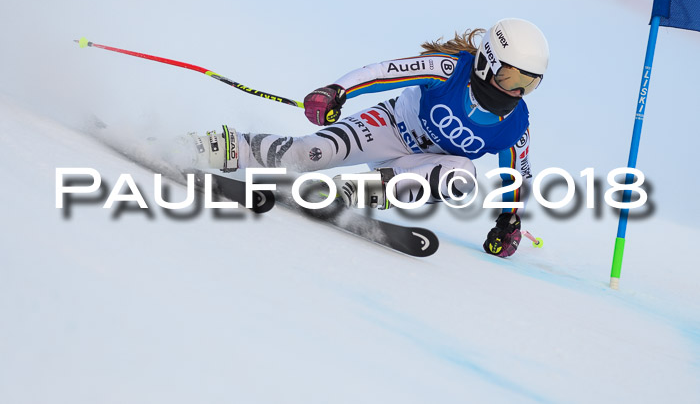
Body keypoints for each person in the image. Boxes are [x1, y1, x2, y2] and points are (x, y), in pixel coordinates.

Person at [191, 18, 549, 258]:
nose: (517, 91)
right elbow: (383, 73)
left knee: (462, 176)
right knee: (306, 154)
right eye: (512, 77)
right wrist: (336, 92)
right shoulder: (449, 69)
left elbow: (517, 177)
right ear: (487, 62)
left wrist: (509, 221)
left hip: (421, 167)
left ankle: (348, 192)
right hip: (388, 127)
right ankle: (212, 147)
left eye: (529, 84)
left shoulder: (515, 124)